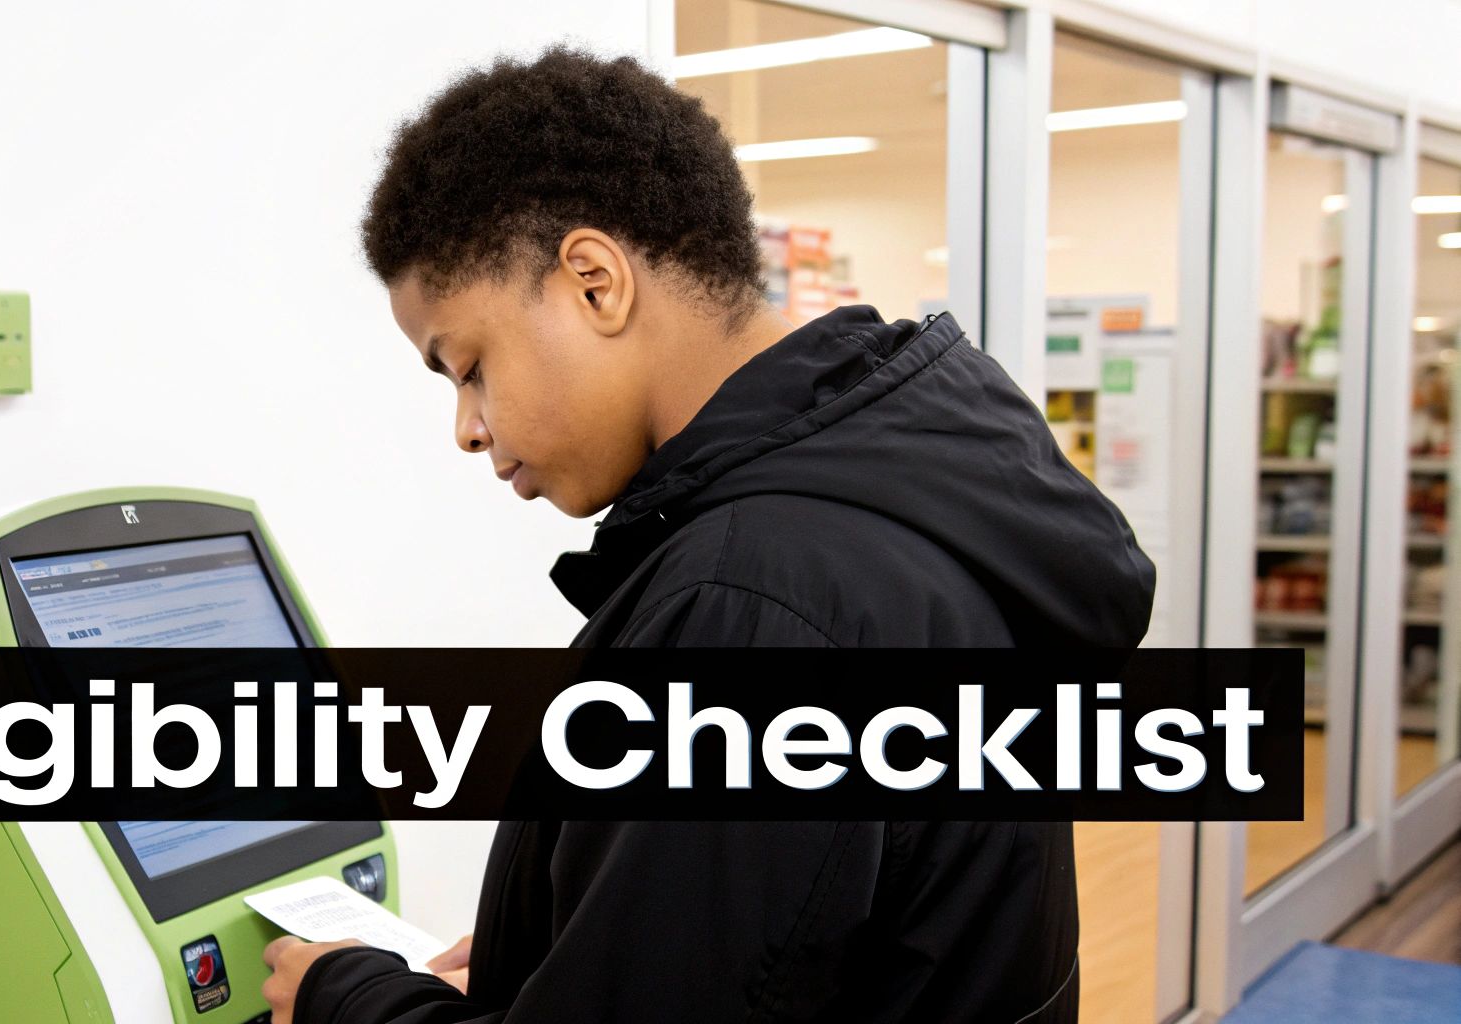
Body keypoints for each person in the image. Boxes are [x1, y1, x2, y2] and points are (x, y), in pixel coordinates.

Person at [263, 46, 1154, 1024]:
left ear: (594, 282)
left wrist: (344, 996)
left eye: (469, 366)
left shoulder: (754, 605)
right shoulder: (892, 501)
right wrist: (560, 948)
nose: (468, 429)